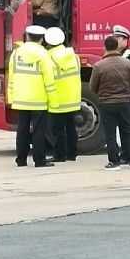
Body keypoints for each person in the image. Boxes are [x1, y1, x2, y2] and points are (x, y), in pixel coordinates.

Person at [7, 25, 59, 167]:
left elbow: (11, 78)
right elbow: (49, 80)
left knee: (22, 129)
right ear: (41, 39)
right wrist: (53, 101)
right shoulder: (43, 55)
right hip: (38, 100)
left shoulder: (16, 53)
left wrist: (10, 97)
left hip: (20, 98)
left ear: (27, 36)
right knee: (38, 131)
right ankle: (39, 160)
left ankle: (21, 160)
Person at [89, 35, 130, 170]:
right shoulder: (128, 64)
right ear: (117, 47)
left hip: (107, 103)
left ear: (105, 47)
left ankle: (114, 162)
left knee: (110, 133)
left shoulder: (98, 66)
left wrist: (102, 95)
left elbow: (93, 86)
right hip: (125, 102)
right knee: (127, 131)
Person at [44, 27, 81, 162]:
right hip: (73, 97)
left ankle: (60, 155)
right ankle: (72, 153)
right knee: (71, 127)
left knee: (58, 128)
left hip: (58, 98)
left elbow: (47, 78)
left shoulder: (49, 58)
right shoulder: (74, 56)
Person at [112, 24, 130, 144]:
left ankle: (128, 152)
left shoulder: (129, 55)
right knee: (122, 124)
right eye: (115, 38)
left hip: (129, 90)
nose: (116, 41)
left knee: (128, 125)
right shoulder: (117, 54)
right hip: (120, 91)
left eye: (118, 39)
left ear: (125, 40)